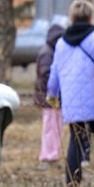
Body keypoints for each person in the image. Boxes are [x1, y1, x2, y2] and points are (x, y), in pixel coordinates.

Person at [47, 0, 94, 187]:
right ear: (90, 17)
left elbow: (54, 73)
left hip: (73, 103)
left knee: (75, 143)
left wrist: (52, 94)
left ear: (72, 18)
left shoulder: (61, 43)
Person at [34, 23, 66, 170]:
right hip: (49, 98)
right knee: (50, 127)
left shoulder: (49, 51)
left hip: (52, 97)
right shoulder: (48, 53)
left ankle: (53, 154)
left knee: (55, 126)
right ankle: (48, 156)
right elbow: (46, 74)